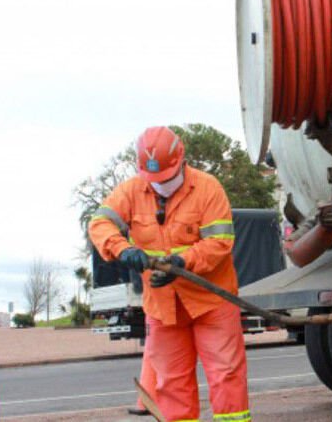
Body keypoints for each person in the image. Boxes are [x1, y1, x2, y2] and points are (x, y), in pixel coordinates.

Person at [89, 126, 250, 422]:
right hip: (163, 307)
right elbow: (100, 223)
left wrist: (182, 263)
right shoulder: (131, 191)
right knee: (170, 383)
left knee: (226, 375)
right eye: (154, 179)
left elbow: (220, 243)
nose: (160, 184)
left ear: (181, 161)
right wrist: (122, 249)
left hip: (211, 301)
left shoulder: (207, 188)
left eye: (166, 177)